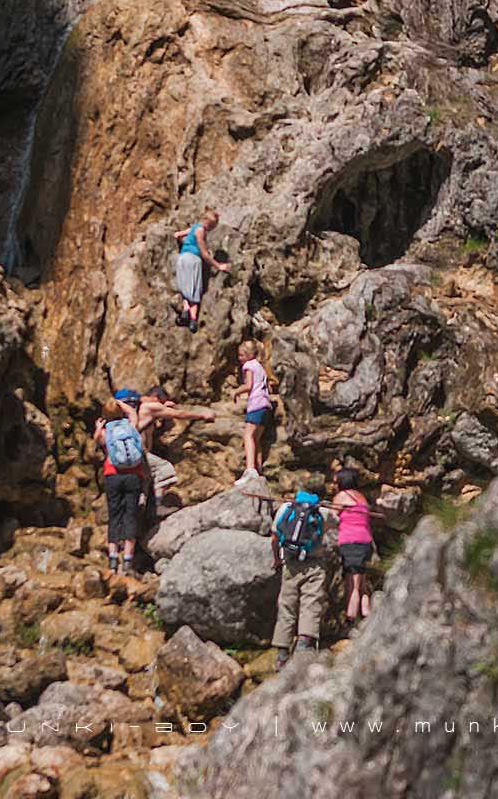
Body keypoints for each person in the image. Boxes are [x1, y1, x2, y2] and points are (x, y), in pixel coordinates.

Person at [115, 386, 216, 517]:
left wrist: (163, 406)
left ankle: (140, 509)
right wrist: (203, 415)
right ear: (156, 397)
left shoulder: (134, 408)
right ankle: (157, 506)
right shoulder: (149, 407)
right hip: (139, 453)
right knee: (164, 470)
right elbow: (179, 414)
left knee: (145, 481)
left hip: (121, 456)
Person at [270, 488, 326, 667]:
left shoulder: (286, 508)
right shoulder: (321, 511)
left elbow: (274, 537)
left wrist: (277, 559)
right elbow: (337, 525)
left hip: (290, 563)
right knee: (311, 603)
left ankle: (282, 652)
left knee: (287, 605)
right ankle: (303, 644)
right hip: (314, 564)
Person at [94, 398, 146, 575]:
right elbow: (132, 412)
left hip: (113, 475)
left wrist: (99, 427)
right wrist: (118, 402)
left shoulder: (105, 432)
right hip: (133, 475)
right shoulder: (131, 426)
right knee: (131, 514)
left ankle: (113, 557)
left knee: (114, 515)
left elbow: (97, 441)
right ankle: (128, 559)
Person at [332, 467, 376, 623]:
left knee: (353, 582)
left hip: (350, 541)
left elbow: (331, 516)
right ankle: (366, 612)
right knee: (362, 579)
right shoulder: (361, 497)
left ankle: (351, 616)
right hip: (365, 541)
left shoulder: (342, 497)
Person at [173, 210, 230, 332]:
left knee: (184, 287)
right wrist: (218, 266)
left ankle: (185, 311)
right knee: (194, 289)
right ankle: (193, 319)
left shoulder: (194, 227)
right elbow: (204, 254)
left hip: (183, 258)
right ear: (209, 223)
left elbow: (179, 234)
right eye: (212, 226)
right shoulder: (201, 231)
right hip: (193, 260)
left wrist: (181, 239)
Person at [233, 342, 273, 486]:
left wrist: (237, 391)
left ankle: (250, 470)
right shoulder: (261, 367)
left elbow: (249, 385)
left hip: (256, 404)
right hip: (266, 405)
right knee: (256, 439)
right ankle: (258, 469)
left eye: (241, 355)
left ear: (250, 355)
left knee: (248, 435)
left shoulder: (249, 366)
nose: (239, 358)